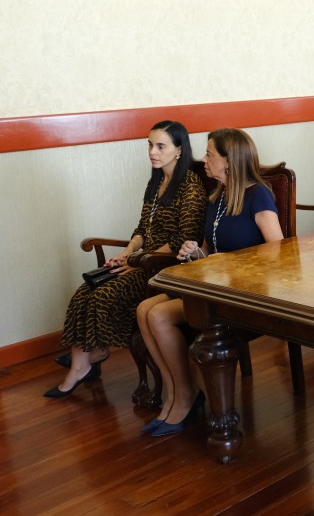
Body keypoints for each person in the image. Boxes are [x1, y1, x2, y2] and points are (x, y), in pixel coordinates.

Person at [136, 128, 284, 435]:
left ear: (229, 161)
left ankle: (187, 397)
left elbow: (279, 251)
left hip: (245, 292)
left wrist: (226, 262)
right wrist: (196, 252)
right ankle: (178, 392)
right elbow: (210, 249)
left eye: (210, 154)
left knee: (159, 316)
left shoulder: (257, 194)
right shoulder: (217, 196)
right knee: (144, 310)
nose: (204, 159)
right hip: (212, 286)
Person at [46, 120, 207, 398]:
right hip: (143, 258)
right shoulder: (157, 180)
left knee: (103, 294)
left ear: (179, 150)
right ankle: (87, 358)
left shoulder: (191, 186)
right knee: (85, 290)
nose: (152, 152)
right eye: (150, 144)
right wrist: (127, 252)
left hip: (165, 266)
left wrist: (137, 260)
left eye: (160, 146)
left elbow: (185, 238)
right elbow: (143, 228)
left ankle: (89, 358)